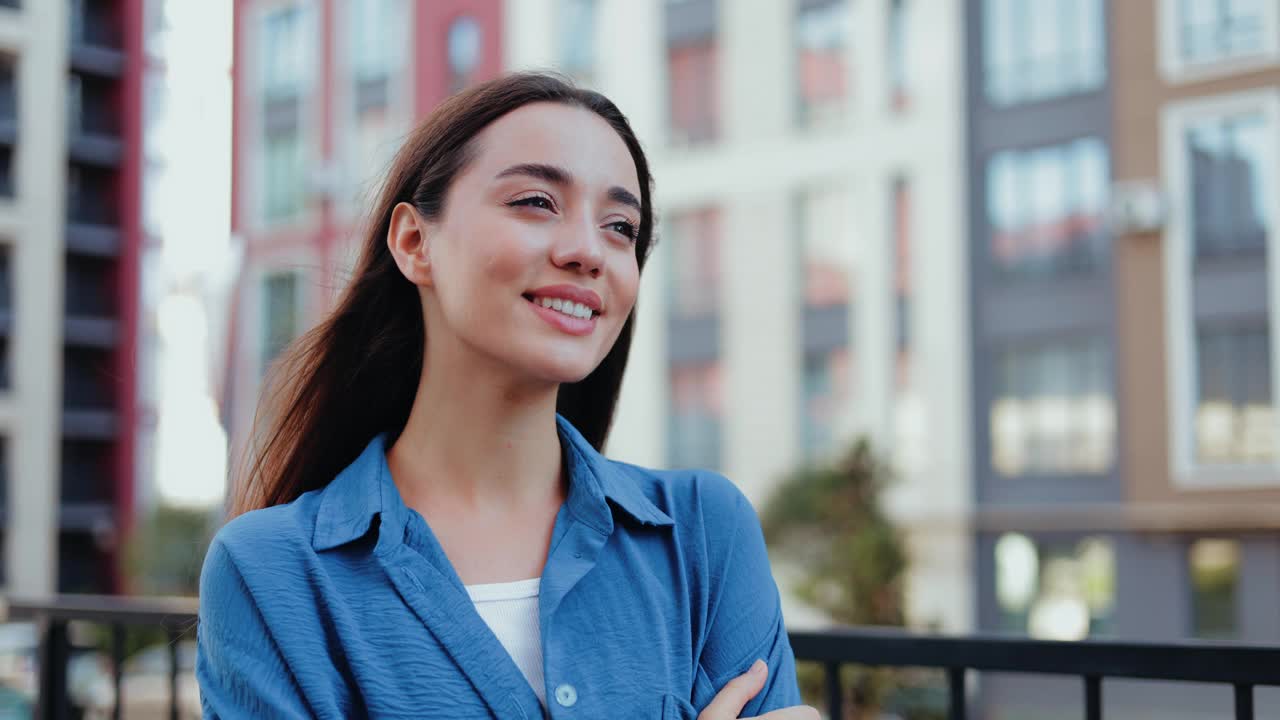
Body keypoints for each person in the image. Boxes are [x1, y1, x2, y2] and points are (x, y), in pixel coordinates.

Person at [196, 72, 818, 720]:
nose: (587, 252)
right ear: (415, 242)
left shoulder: (704, 533)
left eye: (619, 226)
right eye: (536, 202)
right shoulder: (269, 574)